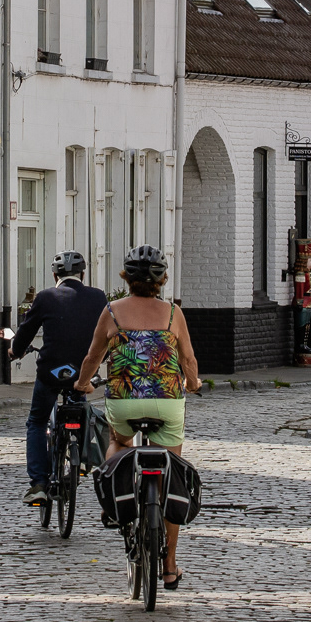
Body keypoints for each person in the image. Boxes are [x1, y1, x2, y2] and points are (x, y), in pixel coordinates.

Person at [73, 245, 201, 589]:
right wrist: (193, 381)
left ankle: (114, 500)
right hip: (168, 404)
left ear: (125, 278)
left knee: (118, 440)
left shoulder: (112, 313)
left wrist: (83, 383)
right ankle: (170, 566)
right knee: (171, 474)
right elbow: (188, 360)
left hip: (125, 402)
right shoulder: (174, 315)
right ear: (162, 280)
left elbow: (92, 357)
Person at [0, 250, 107, 505]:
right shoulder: (98, 297)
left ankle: (38, 483)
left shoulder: (45, 297)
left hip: (51, 372)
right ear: (83, 274)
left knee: (36, 421)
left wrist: (15, 351)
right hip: (83, 372)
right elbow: (107, 333)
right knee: (82, 414)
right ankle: (79, 462)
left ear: (55, 274)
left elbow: (25, 333)